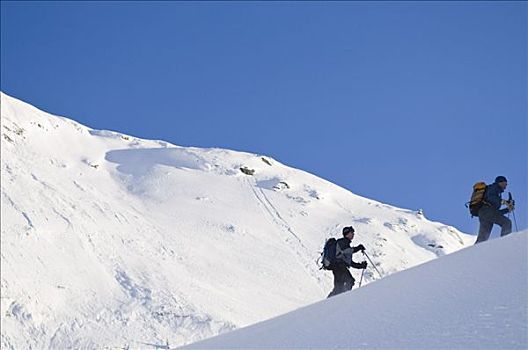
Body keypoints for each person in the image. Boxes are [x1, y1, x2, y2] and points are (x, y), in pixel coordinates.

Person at [327, 226, 367, 298]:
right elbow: (349, 251)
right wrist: (358, 248)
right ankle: (344, 299)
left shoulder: (345, 244)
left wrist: (361, 266)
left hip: (338, 268)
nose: (353, 234)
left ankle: (329, 302)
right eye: (352, 233)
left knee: (339, 288)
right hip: (339, 267)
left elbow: (350, 262)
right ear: (347, 233)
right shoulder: (342, 242)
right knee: (349, 281)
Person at [475, 176, 514, 244]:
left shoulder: (494, 191)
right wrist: (505, 202)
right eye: (505, 184)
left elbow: (495, 213)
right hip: (487, 211)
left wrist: (507, 210)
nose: (505, 186)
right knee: (507, 222)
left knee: (483, 238)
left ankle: (472, 252)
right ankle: (505, 243)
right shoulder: (494, 188)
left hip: (483, 213)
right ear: (500, 182)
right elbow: (491, 198)